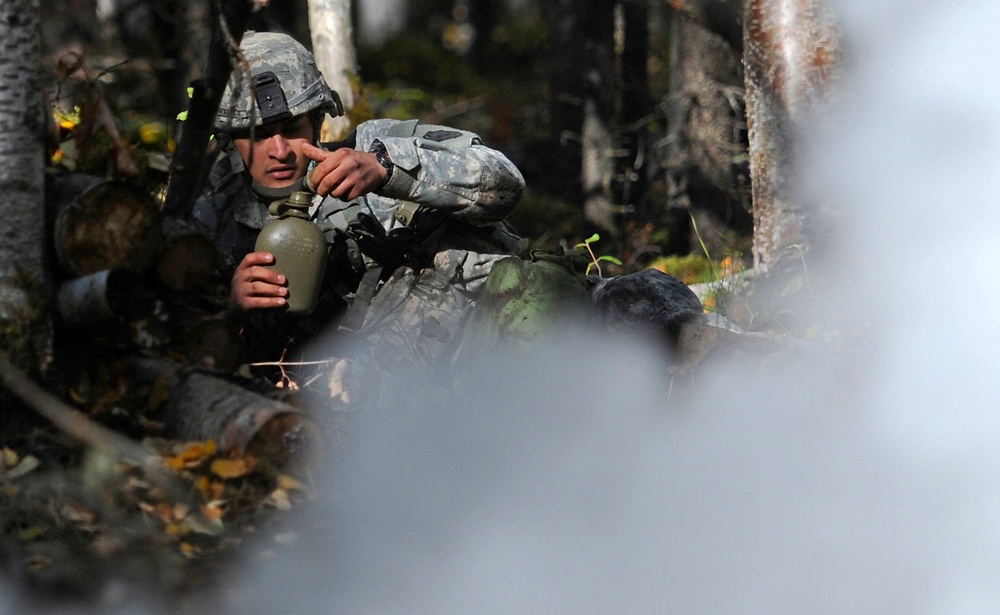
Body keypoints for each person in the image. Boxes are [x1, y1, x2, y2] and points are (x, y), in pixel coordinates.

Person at [193, 31, 527, 363]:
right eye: (259, 135)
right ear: (230, 139)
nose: (279, 151)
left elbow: (506, 182)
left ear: (315, 119)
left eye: (292, 128)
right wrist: (230, 306)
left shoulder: (370, 147)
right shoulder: (212, 209)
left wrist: (387, 168)